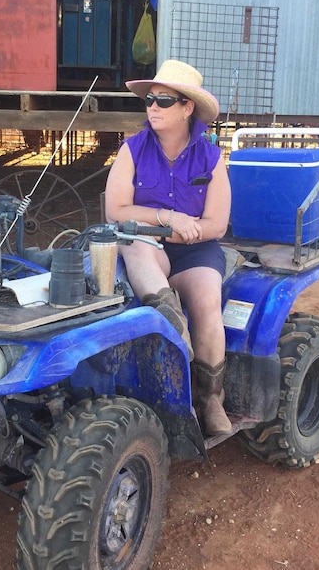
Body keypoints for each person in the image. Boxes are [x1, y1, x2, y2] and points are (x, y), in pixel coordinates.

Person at [105, 60, 232, 435]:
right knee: (134, 244)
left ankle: (211, 399)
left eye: (163, 100)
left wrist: (174, 231)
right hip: (148, 242)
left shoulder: (211, 157)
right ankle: (174, 326)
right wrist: (167, 217)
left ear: (187, 107)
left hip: (196, 249)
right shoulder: (132, 150)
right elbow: (116, 211)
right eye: (149, 100)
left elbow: (216, 224)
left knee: (208, 298)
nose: (153, 108)